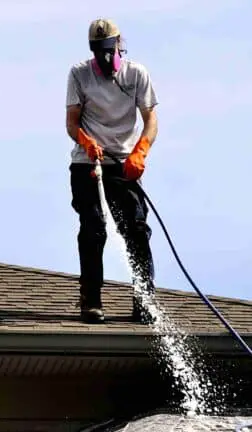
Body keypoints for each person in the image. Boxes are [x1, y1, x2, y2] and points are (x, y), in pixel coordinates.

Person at [65, 18, 159, 324]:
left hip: (124, 162)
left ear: (119, 45)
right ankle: (91, 300)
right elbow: (72, 121)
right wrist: (85, 140)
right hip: (88, 162)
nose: (105, 57)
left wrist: (140, 151)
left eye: (109, 50)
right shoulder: (79, 74)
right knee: (94, 227)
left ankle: (144, 300)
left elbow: (151, 119)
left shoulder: (136, 74)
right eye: (98, 51)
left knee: (136, 228)